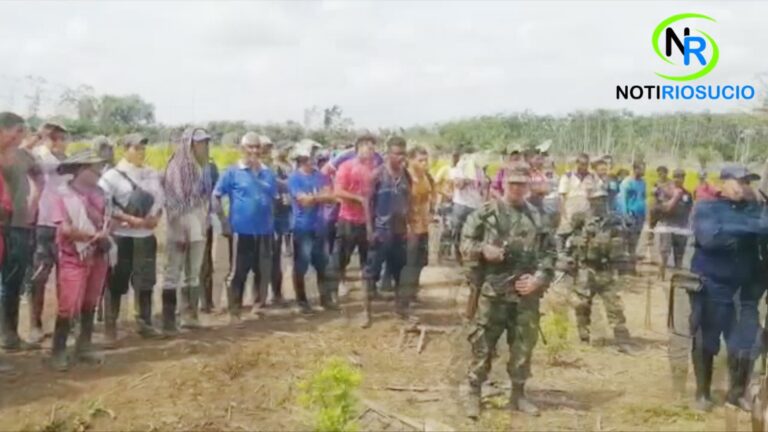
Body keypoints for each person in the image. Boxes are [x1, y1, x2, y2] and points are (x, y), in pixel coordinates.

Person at [461, 162, 556, 418]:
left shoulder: (538, 216)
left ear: (528, 186)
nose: (516, 188)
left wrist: (538, 279)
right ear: (503, 184)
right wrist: (484, 249)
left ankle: (518, 394)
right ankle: (473, 393)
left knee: (523, 344)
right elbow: (465, 243)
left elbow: (550, 254)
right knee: (483, 344)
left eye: (521, 184)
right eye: (512, 183)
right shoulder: (485, 214)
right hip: (493, 291)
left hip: (526, 294)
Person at [689, 164, 768, 412]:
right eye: (739, 181)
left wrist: (735, 230)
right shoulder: (706, 207)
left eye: (748, 182)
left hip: (745, 288)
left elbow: (764, 235)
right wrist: (751, 228)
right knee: (706, 340)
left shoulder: (755, 209)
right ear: (723, 182)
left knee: (746, 341)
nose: (744, 187)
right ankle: (702, 393)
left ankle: (737, 394)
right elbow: (711, 239)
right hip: (712, 285)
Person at [48, 150, 113, 371]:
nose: (99, 172)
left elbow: (108, 220)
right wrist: (91, 236)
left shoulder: (102, 194)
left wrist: (102, 234)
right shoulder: (62, 195)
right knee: (69, 303)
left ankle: (83, 345)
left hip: (98, 254)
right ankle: (58, 351)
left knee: (90, 301)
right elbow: (64, 229)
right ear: (81, 170)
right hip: (74, 255)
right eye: (95, 168)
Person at [98, 133, 165, 344]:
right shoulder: (112, 176)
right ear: (125, 149)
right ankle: (111, 328)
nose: (141, 152)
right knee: (116, 282)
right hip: (122, 236)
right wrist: (129, 219)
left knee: (145, 282)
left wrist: (156, 217)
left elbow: (161, 199)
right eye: (136, 148)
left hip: (146, 236)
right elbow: (104, 204)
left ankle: (144, 323)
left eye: (143, 148)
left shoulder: (151, 173)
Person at [213, 132, 276, 325]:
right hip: (241, 231)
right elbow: (216, 196)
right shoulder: (232, 172)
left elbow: (273, 197)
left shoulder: (268, 173)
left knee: (262, 270)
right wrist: (223, 221)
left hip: (264, 230)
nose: (254, 151)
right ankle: (235, 310)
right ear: (242, 149)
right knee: (239, 271)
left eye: (257, 147)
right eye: (250, 147)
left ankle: (258, 306)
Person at [560, 187, 633, 354]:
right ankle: (584, 335)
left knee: (614, 306)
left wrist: (623, 268)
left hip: (606, 269)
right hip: (586, 268)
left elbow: (622, 244)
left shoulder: (614, 220)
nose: (599, 203)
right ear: (589, 201)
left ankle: (622, 340)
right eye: (595, 200)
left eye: (602, 199)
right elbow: (562, 235)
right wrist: (565, 256)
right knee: (582, 304)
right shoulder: (580, 219)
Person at [161, 128, 214, 332]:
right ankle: (168, 320)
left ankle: (190, 315)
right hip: (180, 225)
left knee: (193, 273)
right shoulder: (177, 166)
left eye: (205, 143)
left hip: (198, 225)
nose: (203, 146)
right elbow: (174, 201)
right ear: (190, 144)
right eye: (199, 143)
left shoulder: (203, 167)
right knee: (173, 273)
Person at [25, 122, 70, 348]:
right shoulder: (38, 158)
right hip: (43, 224)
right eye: (58, 138)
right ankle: (35, 324)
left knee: (65, 276)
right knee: (40, 275)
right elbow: (23, 153)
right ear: (50, 138)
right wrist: (38, 137)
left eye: (63, 138)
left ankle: (63, 324)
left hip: (63, 225)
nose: (63, 142)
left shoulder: (66, 160)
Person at [363, 137, 411, 327]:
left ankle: (400, 309)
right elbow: (367, 202)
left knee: (400, 272)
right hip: (381, 232)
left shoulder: (406, 176)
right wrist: (369, 229)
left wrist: (408, 225)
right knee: (370, 274)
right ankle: (367, 313)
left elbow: (409, 201)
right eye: (397, 153)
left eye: (403, 153)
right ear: (388, 154)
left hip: (399, 233)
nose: (400, 157)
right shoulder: (377, 175)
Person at [327, 134, 378, 302]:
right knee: (341, 257)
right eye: (367, 147)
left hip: (367, 221)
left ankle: (369, 292)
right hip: (348, 219)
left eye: (372, 148)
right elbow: (337, 192)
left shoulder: (375, 168)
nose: (371, 151)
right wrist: (357, 198)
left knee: (368, 258)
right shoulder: (346, 167)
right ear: (358, 148)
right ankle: (334, 290)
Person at [287, 146, 337, 313]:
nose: (313, 159)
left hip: (318, 226)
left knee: (322, 264)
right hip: (302, 227)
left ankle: (325, 299)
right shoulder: (294, 178)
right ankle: (302, 302)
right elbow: (303, 201)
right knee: (301, 265)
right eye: (310, 156)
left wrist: (314, 198)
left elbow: (331, 197)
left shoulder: (319, 176)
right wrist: (320, 197)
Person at [0, 112, 27, 372]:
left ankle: (9, 338)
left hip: (13, 228)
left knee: (10, 285)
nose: (19, 137)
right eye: (16, 131)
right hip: (5, 228)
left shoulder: (19, 156)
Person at [401, 146, 434, 307]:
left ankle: (413, 292)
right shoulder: (405, 178)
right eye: (420, 160)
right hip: (410, 227)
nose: (424, 163)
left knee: (421, 261)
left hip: (424, 225)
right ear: (410, 160)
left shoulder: (426, 176)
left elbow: (431, 195)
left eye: (425, 160)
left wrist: (432, 213)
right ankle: (405, 298)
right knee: (409, 263)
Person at [655, 168, 693, 281]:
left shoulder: (687, 194)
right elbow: (663, 208)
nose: (678, 179)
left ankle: (677, 279)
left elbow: (689, 209)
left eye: (681, 177)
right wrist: (675, 197)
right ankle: (661, 276)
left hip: (681, 227)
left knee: (679, 254)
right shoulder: (665, 191)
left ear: (684, 178)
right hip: (666, 225)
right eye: (676, 177)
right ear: (673, 177)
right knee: (664, 253)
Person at [450, 153, 485, 265]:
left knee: (475, 233)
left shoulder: (479, 170)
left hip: (475, 205)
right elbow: (458, 185)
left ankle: (471, 258)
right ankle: (458, 256)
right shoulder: (458, 169)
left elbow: (483, 187)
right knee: (458, 232)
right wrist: (468, 178)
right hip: (461, 204)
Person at [557, 153, 596, 249]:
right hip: (570, 210)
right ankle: (561, 253)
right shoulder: (567, 176)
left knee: (586, 235)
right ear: (577, 163)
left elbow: (591, 196)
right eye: (582, 164)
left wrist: (591, 213)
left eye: (586, 164)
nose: (584, 166)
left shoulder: (590, 177)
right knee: (563, 234)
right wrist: (564, 215)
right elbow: (562, 197)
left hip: (584, 209)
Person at [618, 161, 647, 272]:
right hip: (630, 215)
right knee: (625, 241)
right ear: (635, 169)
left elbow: (643, 197)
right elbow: (623, 200)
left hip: (640, 215)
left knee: (634, 242)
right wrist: (625, 215)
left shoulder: (643, 183)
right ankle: (623, 268)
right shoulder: (627, 183)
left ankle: (631, 267)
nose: (644, 171)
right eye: (642, 168)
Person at [199, 154, 220, 313]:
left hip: (205, 222)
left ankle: (206, 301)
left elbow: (215, 194)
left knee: (206, 262)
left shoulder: (210, 167)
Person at [435, 151, 460, 262]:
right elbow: (435, 184)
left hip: (458, 203)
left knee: (456, 228)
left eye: (457, 157)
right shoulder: (445, 170)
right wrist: (445, 193)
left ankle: (453, 253)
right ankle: (443, 253)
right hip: (446, 202)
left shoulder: (461, 171)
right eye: (453, 157)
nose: (455, 159)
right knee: (447, 228)